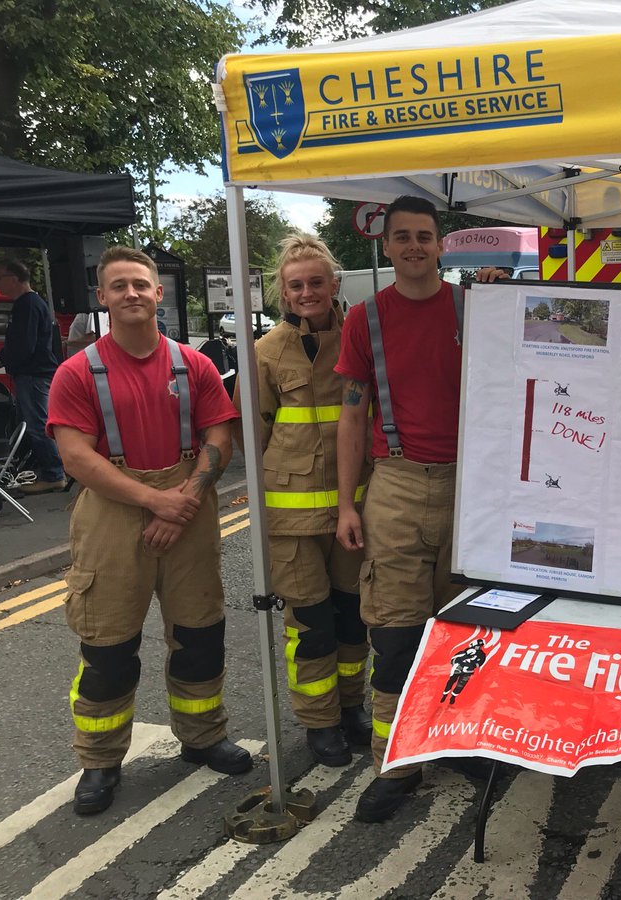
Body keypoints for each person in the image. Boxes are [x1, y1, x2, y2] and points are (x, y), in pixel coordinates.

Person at [47, 246, 252, 816]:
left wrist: (182, 500)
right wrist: (155, 502)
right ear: (103, 297)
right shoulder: (76, 372)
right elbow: (76, 458)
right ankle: (100, 760)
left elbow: (219, 439)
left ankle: (203, 735)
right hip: (115, 514)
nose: (132, 293)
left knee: (200, 635)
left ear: (160, 293)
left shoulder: (196, 365)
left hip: (186, 504)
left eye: (142, 284)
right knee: (109, 646)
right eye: (120, 286)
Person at [334, 196, 477, 823]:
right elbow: (352, 411)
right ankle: (396, 764)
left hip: (476, 484)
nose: (415, 247)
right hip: (395, 482)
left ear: (441, 244)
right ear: (386, 247)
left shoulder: (477, 309)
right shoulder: (364, 319)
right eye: (403, 238)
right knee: (395, 633)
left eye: (425, 236)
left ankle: (458, 739)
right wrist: (347, 502)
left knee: (467, 631)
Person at [242, 234, 372, 767]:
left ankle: (351, 708)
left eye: (316, 282)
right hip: (290, 517)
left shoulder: (358, 339)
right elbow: (254, 434)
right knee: (311, 625)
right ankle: (319, 722)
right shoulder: (266, 352)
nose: (307, 292)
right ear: (283, 291)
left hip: (352, 510)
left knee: (353, 617)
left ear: (334, 284)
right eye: (296, 285)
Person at [0, 258, 66, 493]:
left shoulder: (28, 305)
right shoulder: (29, 304)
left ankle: (54, 473)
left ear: (13, 278)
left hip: (34, 375)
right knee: (31, 424)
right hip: (32, 374)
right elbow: (17, 342)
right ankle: (47, 470)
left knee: (37, 426)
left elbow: (24, 345)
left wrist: (0, 361)